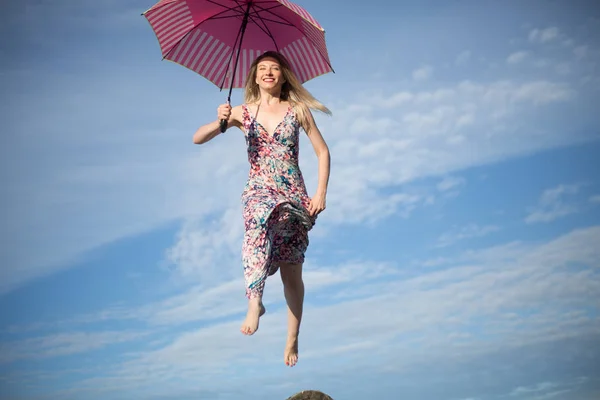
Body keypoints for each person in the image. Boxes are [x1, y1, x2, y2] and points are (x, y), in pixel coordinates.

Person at [192, 51, 331, 367]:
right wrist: (221, 121)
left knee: (291, 272)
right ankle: (254, 301)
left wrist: (320, 193)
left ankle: (292, 338)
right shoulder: (242, 112)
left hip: (294, 196)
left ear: (283, 76)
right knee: (256, 224)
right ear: (254, 76)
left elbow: (323, 152)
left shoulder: (298, 110)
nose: (269, 72)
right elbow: (197, 138)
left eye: (275, 68)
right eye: (263, 68)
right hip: (259, 189)